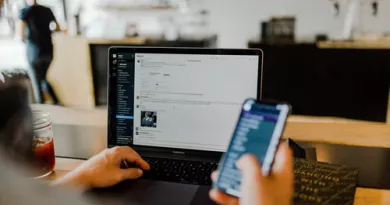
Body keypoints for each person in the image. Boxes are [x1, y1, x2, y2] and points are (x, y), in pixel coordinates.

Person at [17, 0, 60, 104]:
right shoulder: (47, 10)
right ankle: (57, 102)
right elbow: (57, 28)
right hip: (48, 50)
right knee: (43, 78)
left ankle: (42, 106)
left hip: (33, 51)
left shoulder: (24, 11)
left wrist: (25, 39)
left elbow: (21, 33)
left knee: (37, 82)